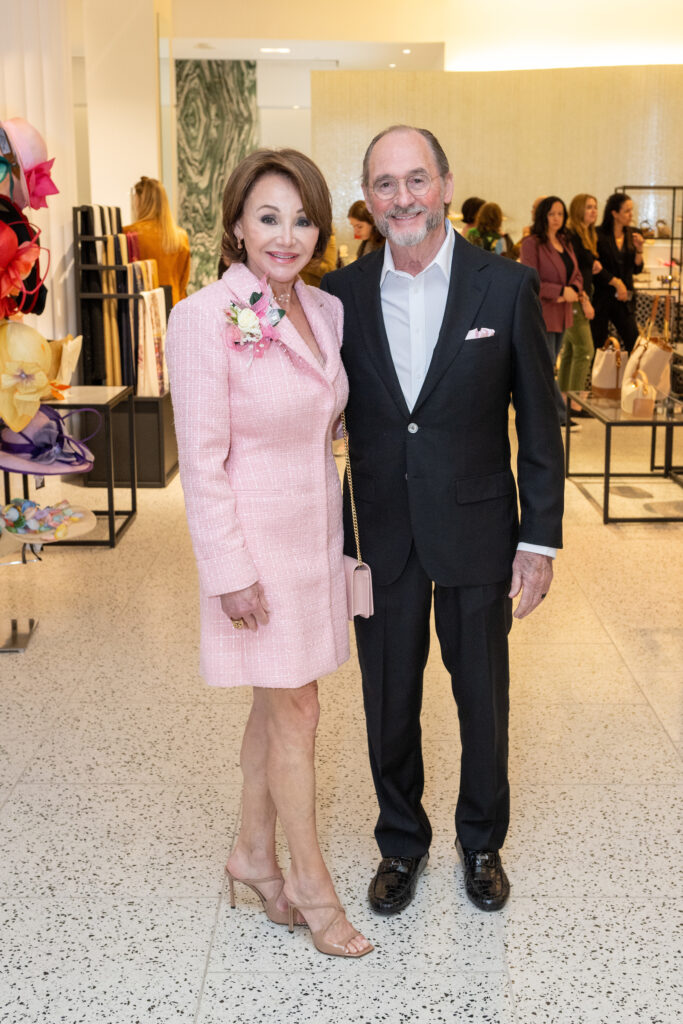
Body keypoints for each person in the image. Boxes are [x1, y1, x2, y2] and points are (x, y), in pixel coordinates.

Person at [321, 125, 564, 917]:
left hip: (477, 530)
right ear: (368, 198)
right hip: (381, 531)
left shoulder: (504, 287)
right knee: (388, 697)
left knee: (481, 698)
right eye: (384, 184)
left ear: (446, 184)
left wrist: (538, 537)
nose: (402, 198)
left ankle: (481, 839)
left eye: (415, 179)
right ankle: (400, 842)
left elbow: (537, 419)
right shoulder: (342, 297)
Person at [165, 148, 372, 960]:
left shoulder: (324, 311)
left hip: (313, 541)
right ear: (237, 227)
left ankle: (252, 857)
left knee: (273, 707)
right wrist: (230, 574)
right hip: (255, 551)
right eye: (268, 217)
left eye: (301, 218)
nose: (286, 235)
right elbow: (202, 462)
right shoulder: (202, 317)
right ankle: (314, 892)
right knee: (299, 712)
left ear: (319, 227)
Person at [520, 196, 583, 428]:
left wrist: (574, 288)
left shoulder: (565, 241)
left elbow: (576, 273)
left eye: (561, 214)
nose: (557, 219)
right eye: (552, 214)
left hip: (563, 312)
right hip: (543, 312)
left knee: (549, 365)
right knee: (545, 365)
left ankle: (548, 413)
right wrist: (559, 291)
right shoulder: (532, 243)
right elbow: (530, 278)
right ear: (543, 215)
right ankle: (559, 413)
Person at [591, 192, 645, 353]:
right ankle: (599, 377)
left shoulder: (633, 234)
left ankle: (631, 377)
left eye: (631, 211)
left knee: (633, 340)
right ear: (614, 213)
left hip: (624, 297)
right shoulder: (598, 234)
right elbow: (595, 268)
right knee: (598, 343)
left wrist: (639, 250)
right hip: (602, 296)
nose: (631, 215)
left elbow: (636, 269)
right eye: (627, 211)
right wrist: (614, 281)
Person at [124, 176, 190, 306]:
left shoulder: (129, 234)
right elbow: (183, 283)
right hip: (173, 304)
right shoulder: (180, 236)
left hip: (143, 306)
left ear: (139, 202)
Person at [562, 194, 601, 411]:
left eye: (595, 207)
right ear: (578, 210)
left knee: (570, 350)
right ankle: (574, 405)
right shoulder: (574, 236)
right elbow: (573, 271)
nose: (594, 211)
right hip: (577, 298)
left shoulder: (585, 235)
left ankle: (563, 402)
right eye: (589, 207)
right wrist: (585, 300)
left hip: (581, 296)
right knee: (585, 349)